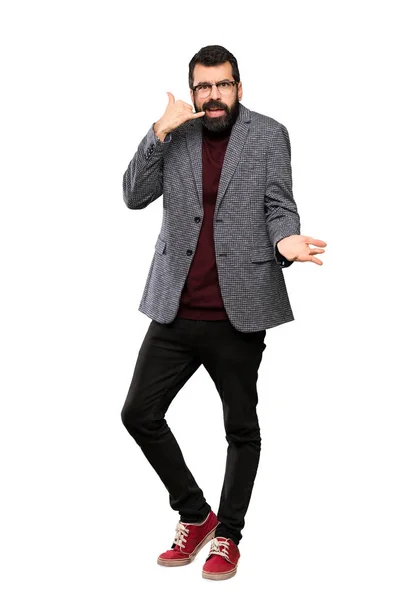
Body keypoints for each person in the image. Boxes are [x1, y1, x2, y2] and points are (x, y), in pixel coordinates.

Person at [121, 45, 327, 581]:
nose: (213, 96)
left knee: (240, 426)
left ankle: (228, 536)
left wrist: (286, 242)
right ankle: (196, 514)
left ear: (240, 86)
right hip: (174, 307)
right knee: (139, 413)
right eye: (204, 87)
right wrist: (157, 132)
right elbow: (132, 196)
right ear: (193, 91)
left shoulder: (269, 135)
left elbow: (279, 203)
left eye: (223, 85)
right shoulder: (178, 134)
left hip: (241, 309)